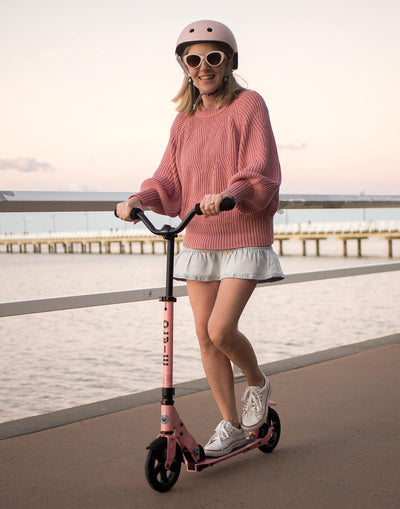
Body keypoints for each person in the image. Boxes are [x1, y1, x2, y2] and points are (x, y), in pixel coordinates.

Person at [116, 19, 284, 457]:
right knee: (204, 338)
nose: (203, 66)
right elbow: (168, 181)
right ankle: (229, 423)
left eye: (214, 57)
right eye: (194, 59)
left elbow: (260, 169)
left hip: (243, 232)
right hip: (200, 239)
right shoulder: (183, 121)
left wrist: (232, 194)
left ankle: (258, 383)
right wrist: (139, 199)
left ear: (229, 62)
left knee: (221, 328)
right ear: (184, 66)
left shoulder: (249, 105)